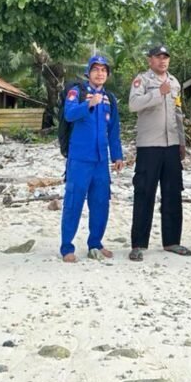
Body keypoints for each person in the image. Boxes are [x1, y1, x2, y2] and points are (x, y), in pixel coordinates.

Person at [128, 45, 191, 260]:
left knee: (173, 193)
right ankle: (138, 244)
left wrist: (181, 141)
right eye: (158, 57)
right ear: (150, 60)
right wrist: (157, 93)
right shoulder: (142, 80)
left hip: (171, 144)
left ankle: (172, 241)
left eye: (165, 57)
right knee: (144, 193)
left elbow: (178, 112)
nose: (162, 61)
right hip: (149, 145)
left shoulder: (174, 83)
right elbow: (133, 105)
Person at [60, 55, 124, 262]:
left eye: (104, 70)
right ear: (89, 72)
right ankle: (67, 247)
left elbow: (113, 130)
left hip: (100, 161)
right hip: (79, 159)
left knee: (100, 202)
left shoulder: (110, 99)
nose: (100, 73)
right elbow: (68, 115)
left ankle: (95, 243)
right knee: (73, 202)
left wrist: (117, 156)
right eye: (96, 69)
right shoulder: (77, 93)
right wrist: (87, 105)